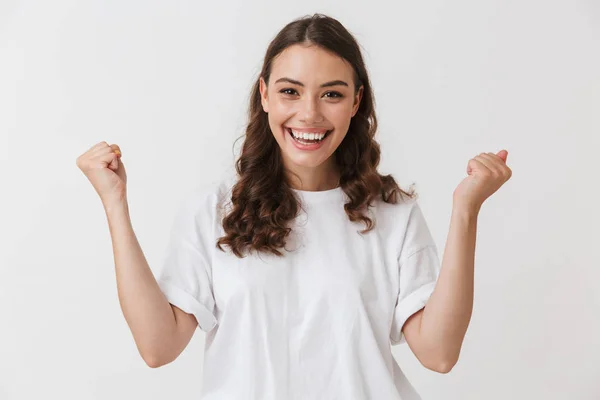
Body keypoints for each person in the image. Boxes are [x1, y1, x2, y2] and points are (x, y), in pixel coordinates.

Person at [76, 13, 512, 400]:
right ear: (264, 94)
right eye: (291, 91)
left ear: (356, 102)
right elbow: (158, 346)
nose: (309, 114)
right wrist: (115, 205)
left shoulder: (391, 214)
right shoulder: (214, 210)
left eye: (332, 94)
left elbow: (438, 354)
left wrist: (465, 212)